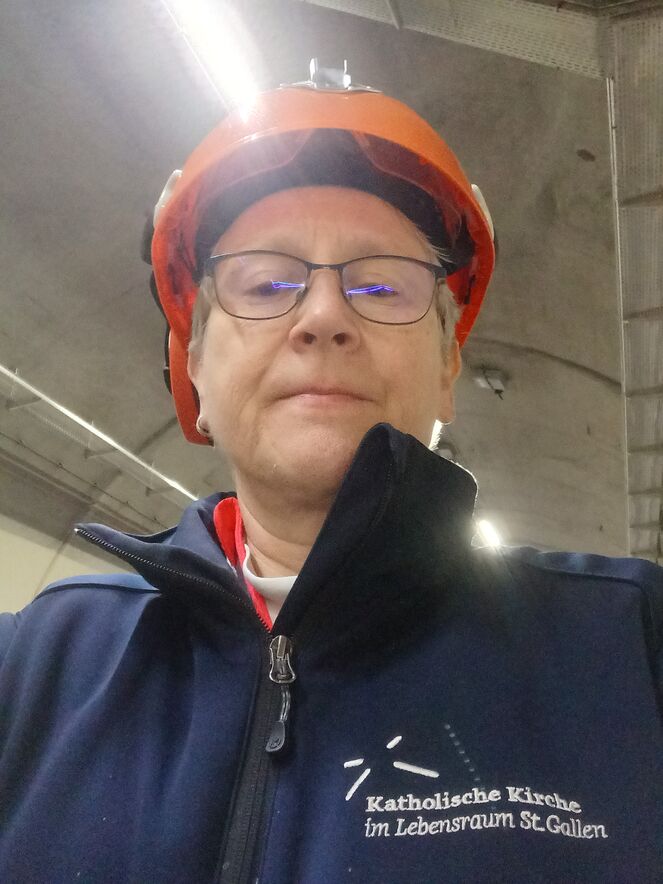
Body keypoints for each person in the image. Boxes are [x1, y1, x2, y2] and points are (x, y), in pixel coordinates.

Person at [1, 61, 661, 884]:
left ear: (447, 368)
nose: (322, 316)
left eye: (380, 286)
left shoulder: (631, 646)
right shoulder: (32, 666)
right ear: (193, 366)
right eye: (265, 282)